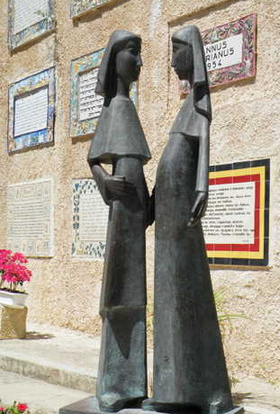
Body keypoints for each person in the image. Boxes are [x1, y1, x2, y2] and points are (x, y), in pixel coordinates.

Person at [143, 26, 239, 414]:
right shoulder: (184, 106)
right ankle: (171, 390)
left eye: (176, 52)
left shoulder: (198, 105)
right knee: (168, 294)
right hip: (167, 207)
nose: (171, 61)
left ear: (191, 55)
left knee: (185, 292)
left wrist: (203, 188)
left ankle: (201, 392)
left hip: (182, 205)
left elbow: (202, 151)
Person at [87, 30, 151, 412]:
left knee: (135, 294)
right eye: (133, 53)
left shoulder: (130, 109)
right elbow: (95, 159)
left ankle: (132, 385)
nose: (139, 62)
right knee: (119, 291)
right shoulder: (114, 109)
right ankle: (113, 387)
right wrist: (107, 182)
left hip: (136, 212)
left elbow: (138, 164)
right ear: (115, 60)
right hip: (121, 216)